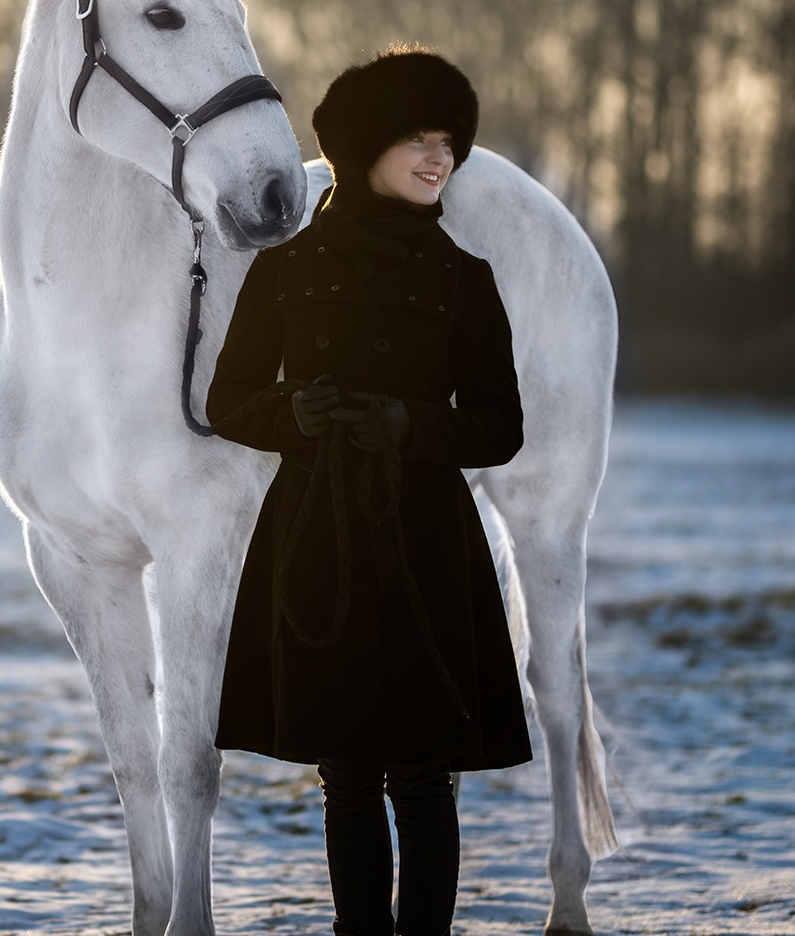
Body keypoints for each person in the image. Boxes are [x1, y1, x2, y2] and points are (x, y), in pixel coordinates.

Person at [206, 46, 530, 935]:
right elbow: (225, 399)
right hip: (317, 540)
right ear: (360, 151)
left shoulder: (466, 280)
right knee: (345, 776)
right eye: (416, 139)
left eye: (448, 142)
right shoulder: (286, 269)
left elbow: (500, 428)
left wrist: (408, 426)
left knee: (424, 775)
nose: (439, 158)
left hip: (426, 539)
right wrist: (290, 417)